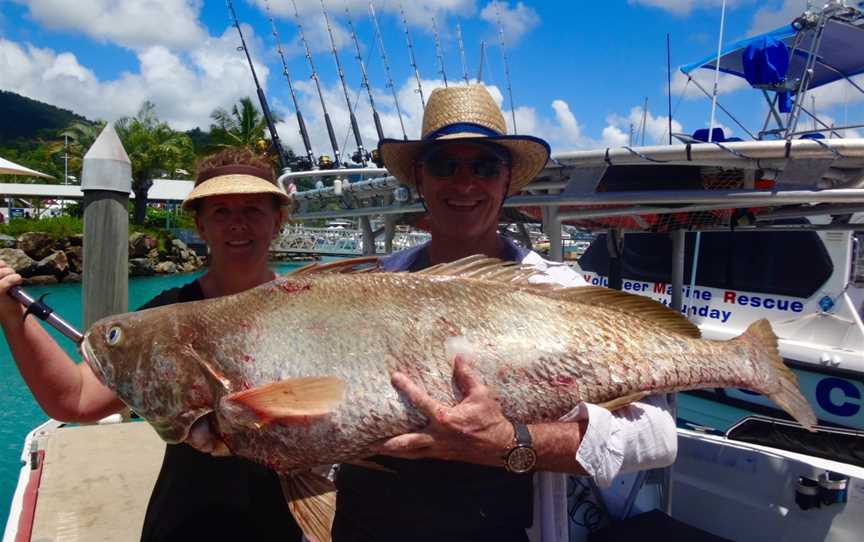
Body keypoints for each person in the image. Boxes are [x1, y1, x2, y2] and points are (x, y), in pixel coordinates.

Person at [331, 85, 678, 542]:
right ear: (419, 178)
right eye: (444, 166)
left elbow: (658, 436)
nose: (465, 183)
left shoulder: (558, 290)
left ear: (507, 178)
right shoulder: (374, 284)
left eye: (484, 167)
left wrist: (512, 441)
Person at [0, 148, 303, 541]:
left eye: (252, 210)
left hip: (289, 521)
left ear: (277, 220)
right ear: (200, 225)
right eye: (220, 212)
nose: (237, 224)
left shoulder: (311, 308)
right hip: (184, 523)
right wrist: (11, 315)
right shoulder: (165, 315)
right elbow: (75, 399)